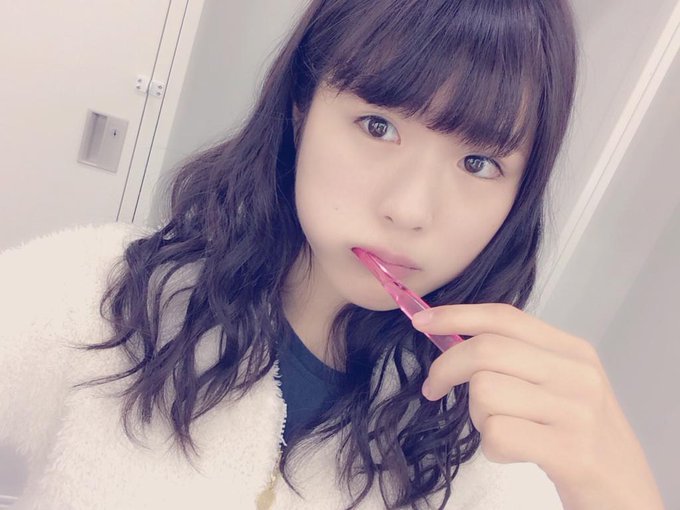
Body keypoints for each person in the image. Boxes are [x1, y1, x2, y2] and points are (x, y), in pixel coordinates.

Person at [0, 0, 665, 509]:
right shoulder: (105, 297)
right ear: (302, 109)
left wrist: (619, 492)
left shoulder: (485, 446)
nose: (410, 209)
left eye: (478, 163)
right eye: (378, 126)